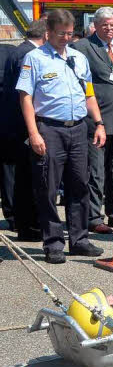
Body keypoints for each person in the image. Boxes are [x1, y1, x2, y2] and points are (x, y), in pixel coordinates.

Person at [17, 9, 107, 264]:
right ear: (48, 32)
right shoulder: (34, 58)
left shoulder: (79, 58)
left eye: (70, 34)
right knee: (47, 187)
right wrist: (33, 133)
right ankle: (53, 242)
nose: (67, 38)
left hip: (78, 128)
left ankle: (79, 240)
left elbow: (89, 93)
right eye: (61, 34)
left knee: (79, 185)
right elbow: (25, 97)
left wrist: (99, 124)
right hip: (49, 129)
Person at [70, 7, 113, 234]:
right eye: (105, 24)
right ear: (95, 25)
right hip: (97, 120)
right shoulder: (82, 47)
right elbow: (80, 83)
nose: (109, 28)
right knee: (95, 171)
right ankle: (94, 217)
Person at [3, 19, 46, 241]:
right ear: (46, 34)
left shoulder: (19, 51)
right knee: (27, 179)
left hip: (15, 123)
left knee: (21, 177)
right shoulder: (27, 55)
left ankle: (24, 223)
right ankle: (28, 226)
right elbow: (26, 93)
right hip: (23, 125)